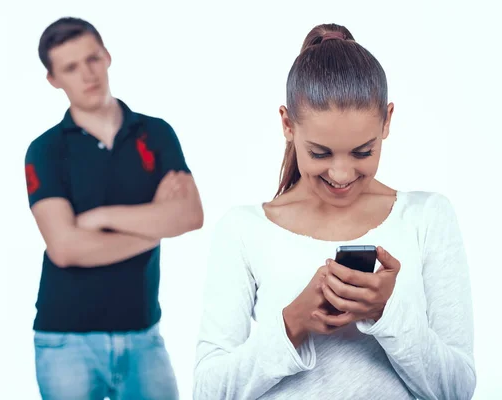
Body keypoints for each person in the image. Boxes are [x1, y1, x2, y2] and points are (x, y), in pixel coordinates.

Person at [193, 23, 476, 399]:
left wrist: (384, 314)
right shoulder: (243, 230)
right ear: (287, 125)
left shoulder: (427, 217)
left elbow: (456, 390)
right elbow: (208, 391)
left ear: (387, 121)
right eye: (320, 153)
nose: (341, 175)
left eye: (363, 152)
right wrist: (293, 323)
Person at [24, 17, 203, 400]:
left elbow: (189, 216)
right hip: (65, 340)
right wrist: (156, 223)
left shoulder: (156, 134)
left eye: (92, 58)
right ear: (53, 80)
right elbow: (66, 248)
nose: (87, 74)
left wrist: (100, 218)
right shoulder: (46, 151)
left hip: (143, 335)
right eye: (70, 68)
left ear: (107, 56)